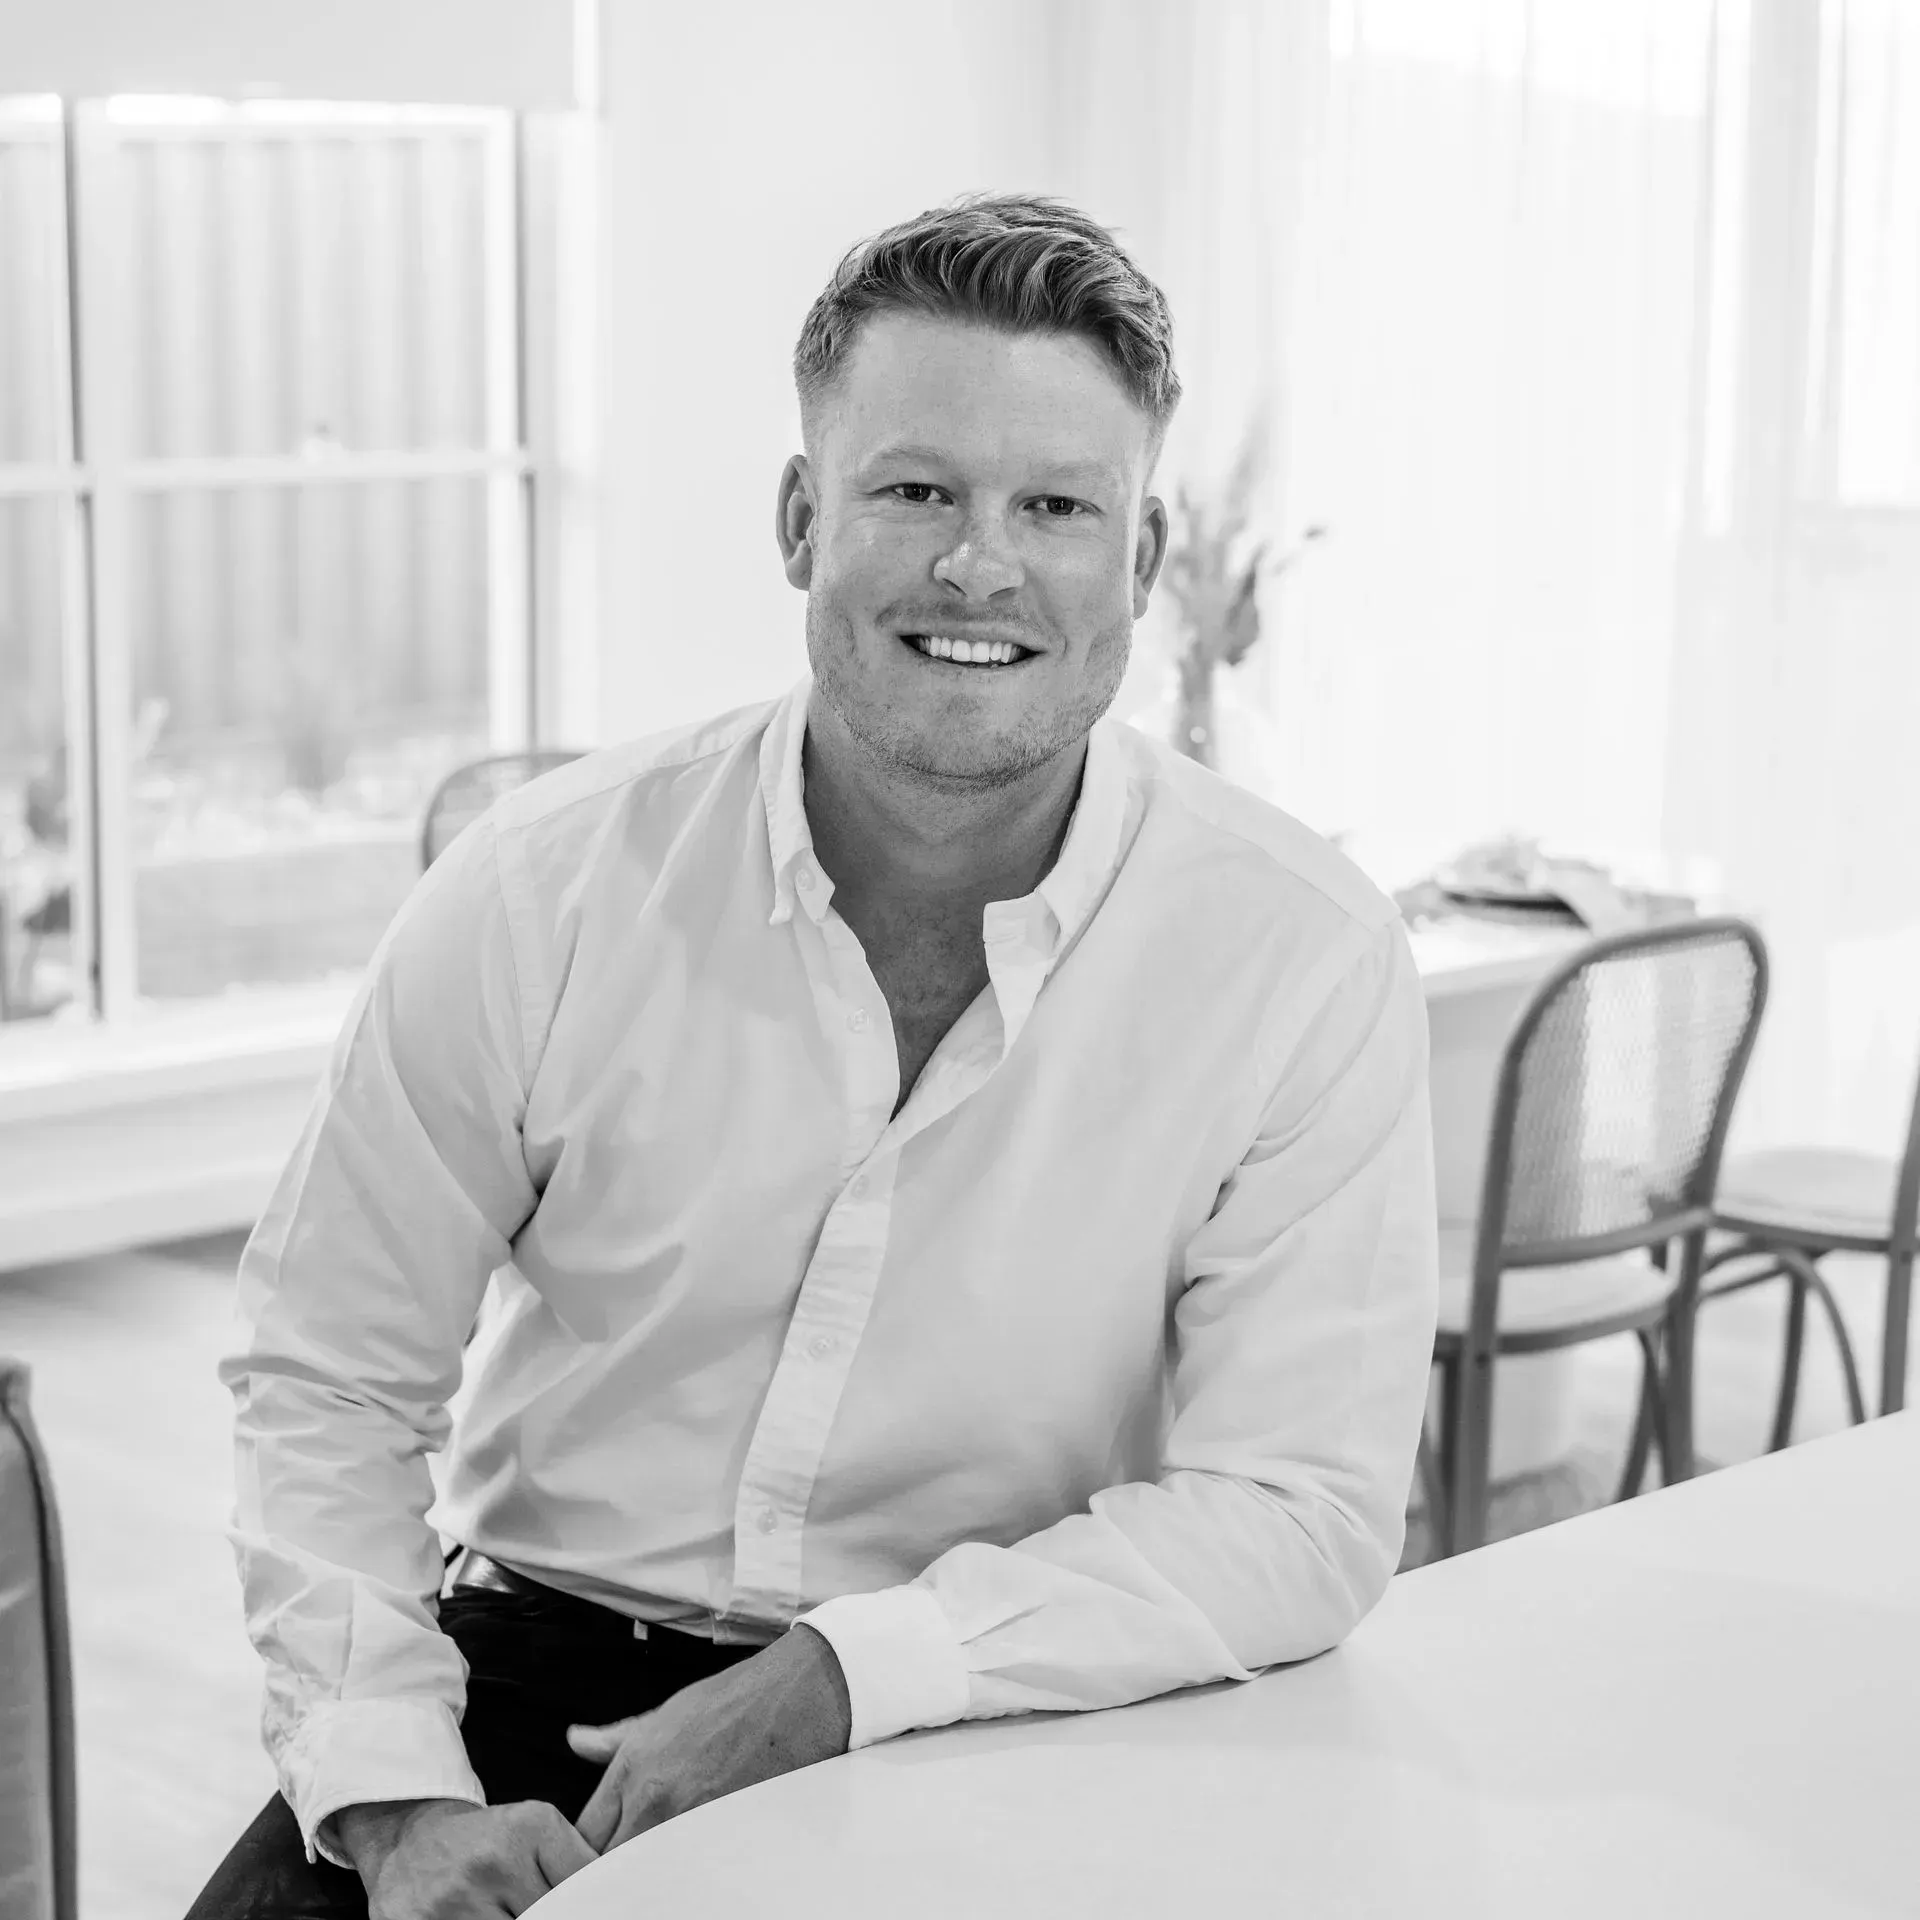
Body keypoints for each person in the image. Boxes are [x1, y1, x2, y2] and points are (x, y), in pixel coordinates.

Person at [186, 192, 1439, 1920]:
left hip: (1013, 1696)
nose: (979, 566)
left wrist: (854, 1672)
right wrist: (397, 1798)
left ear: (1139, 567)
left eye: (1057, 507)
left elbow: (1297, 1506)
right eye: (916, 489)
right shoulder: (542, 890)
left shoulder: (1301, 956)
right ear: (802, 519)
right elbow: (327, 1368)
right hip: (532, 1670)